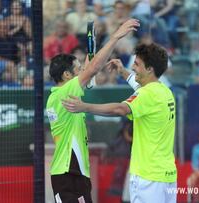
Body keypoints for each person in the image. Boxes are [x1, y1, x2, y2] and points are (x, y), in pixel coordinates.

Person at [62, 43, 177, 203]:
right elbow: (140, 88)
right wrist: (123, 71)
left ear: (150, 69)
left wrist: (84, 106)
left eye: (137, 64)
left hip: (148, 178)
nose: (133, 67)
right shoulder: (165, 91)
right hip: (167, 175)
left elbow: (120, 109)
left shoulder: (147, 94)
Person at [46, 19, 139, 203]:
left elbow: (90, 70)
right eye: (78, 69)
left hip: (77, 172)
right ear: (66, 75)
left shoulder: (64, 95)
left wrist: (88, 65)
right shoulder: (63, 94)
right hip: (67, 173)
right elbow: (94, 68)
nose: (82, 72)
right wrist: (115, 37)